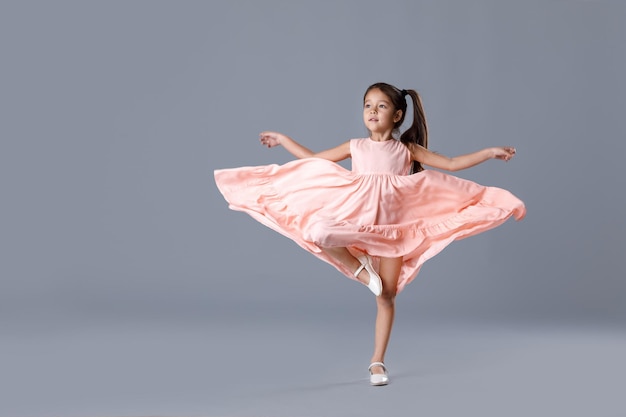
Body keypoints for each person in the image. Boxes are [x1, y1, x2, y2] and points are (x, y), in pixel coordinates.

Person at [214, 82, 526, 386]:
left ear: (398, 116)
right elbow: (313, 160)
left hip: (392, 231)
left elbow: (453, 163)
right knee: (317, 230)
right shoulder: (356, 146)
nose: (372, 111)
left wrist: (489, 152)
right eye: (368, 105)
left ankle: (377, 361)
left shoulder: (407, 149)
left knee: (386, 295)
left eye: (381, 106)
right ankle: (360, 270)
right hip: (355, 221)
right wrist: (284, 139)